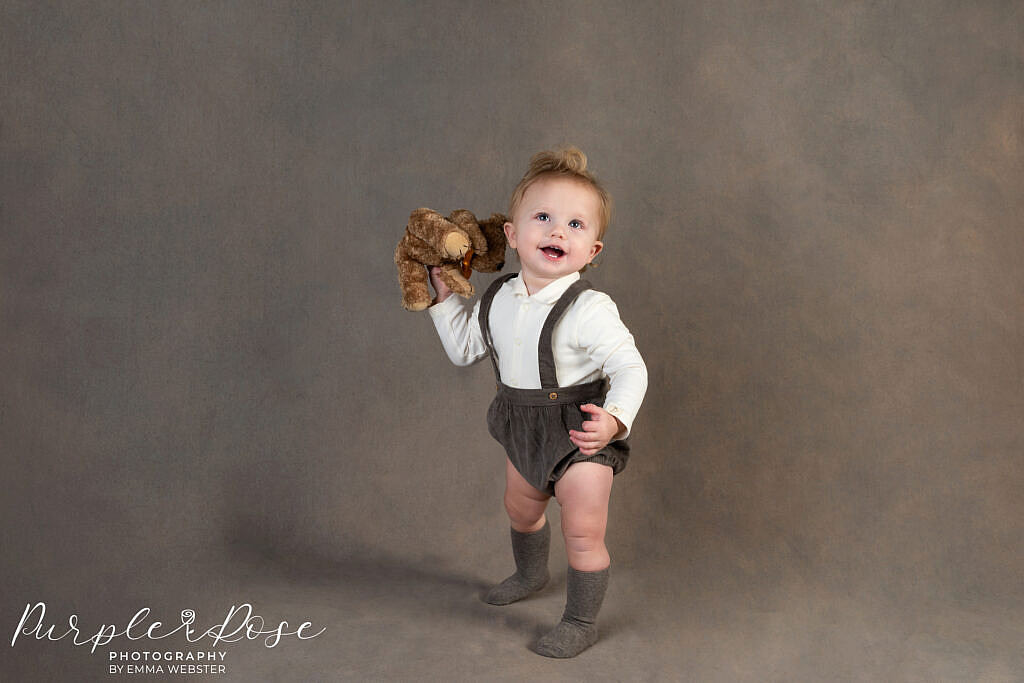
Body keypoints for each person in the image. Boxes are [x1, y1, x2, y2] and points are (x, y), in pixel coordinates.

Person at [426, 147, 648, 658]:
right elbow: (465, 349)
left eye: (574, 224)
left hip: (579, 432)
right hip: (521, 425)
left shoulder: (589, 308)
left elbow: (630, 367)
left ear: (592, 251)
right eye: (543, 217)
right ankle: (529, 574)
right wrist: (445, 298)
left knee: (583, 528)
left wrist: (615, 420)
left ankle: (579, 619)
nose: (557, 231)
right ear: (510, 233)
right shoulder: (499, 297)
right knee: (521, 509)